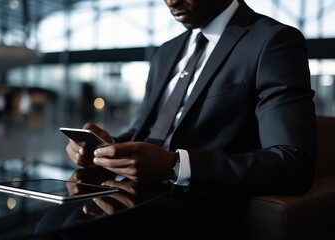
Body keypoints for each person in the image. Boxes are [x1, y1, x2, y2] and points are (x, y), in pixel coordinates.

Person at [66, 0, 316, 199]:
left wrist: (175, 166)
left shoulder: (271, 41)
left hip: (204, 203)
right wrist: (105, 148)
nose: (171, 2)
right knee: (52, 221)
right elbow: (146, 131)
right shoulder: (166, 52)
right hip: (134, 192)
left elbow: (293, 164)